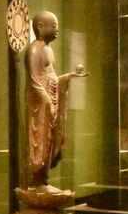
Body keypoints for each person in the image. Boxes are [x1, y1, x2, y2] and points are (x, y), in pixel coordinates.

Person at [24, 10, 86, 192]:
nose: (57, 29)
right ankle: (37, 181)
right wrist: (47, 102)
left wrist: (69, 77)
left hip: (50, 103)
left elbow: (52, 78)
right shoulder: (34, 49)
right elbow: (34, 81)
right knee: (40, 142)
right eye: (53, 25)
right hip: (40, 106)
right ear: (40, 27)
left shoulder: (49, 50)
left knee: (50, 143)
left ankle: (43, 181)